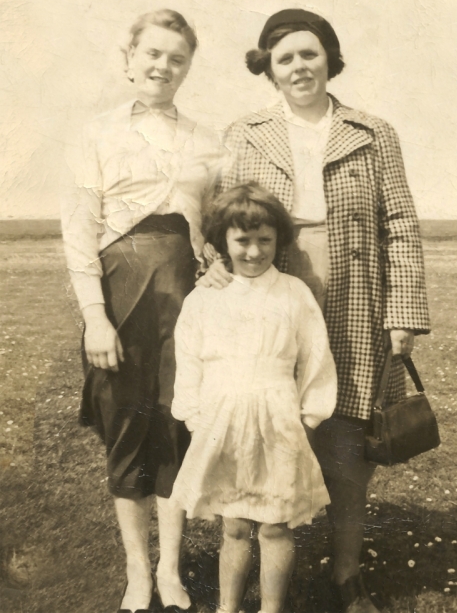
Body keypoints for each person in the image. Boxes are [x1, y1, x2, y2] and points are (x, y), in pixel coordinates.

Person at [202, 9, 430, 613]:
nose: (299, 66)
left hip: (355, 283)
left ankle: (345, 572)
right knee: (266, 414)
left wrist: (403, 309)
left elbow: (401, 223)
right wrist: (216, 262)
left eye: (310, 53)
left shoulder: (372, 130)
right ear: (268, 69)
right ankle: (255, 554)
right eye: (285, 58)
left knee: (348, 428)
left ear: (329, 56)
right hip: (269, 280)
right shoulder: (244, 131)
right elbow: (221, 217)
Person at [61, 9, 222, 612]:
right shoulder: (95, 132)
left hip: (186, 295)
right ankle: (136, 573)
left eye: (177, 58)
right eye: (152, 54)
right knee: (127, 425)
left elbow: (214, 226)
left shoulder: (208, 140)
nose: (163, 66)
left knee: (177, 422)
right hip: (119, 289)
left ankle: (172, 570)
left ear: (188, 68)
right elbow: (78, 231)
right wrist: (95, 316)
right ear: (129, 59)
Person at [170, 183, 337, 613]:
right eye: (242, 241)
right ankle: (228, 607)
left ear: (279, 239)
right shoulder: (205, 297)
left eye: (265, 240)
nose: (254, 252)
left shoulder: (294, 293)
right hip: (223, 425)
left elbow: (316, 358)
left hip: (279, 423)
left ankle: (271, 608)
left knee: (276, 527)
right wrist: (194, 418)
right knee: (235, 525)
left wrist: (310, 418)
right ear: (223, 240)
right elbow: (189, 359)